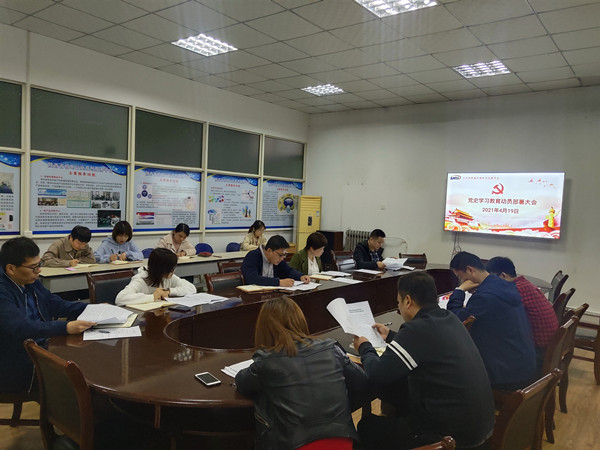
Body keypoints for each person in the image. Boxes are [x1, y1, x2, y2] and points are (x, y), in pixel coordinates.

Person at [352, 271, 495, 449]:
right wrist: (390, 336)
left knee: (367, 426)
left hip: (451, 439)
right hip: (479, 429)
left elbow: (377, 374)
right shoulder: (449, 318)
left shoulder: (416, 329)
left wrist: (365, 347)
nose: (399, 307)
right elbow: (424, 346)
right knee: (401, 392)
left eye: (398, 302)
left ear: (408, 301)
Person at [235, 297, 367, 450]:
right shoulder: (331, 349)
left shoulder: (266, 361)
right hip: (343, 441)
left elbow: (241, 382)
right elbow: (362, 381)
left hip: (294, 444)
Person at [0, 237, 94, 394]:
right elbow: (20, 327)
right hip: (17, 362)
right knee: (78, 378)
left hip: (43, 348)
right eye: (33, 267)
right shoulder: (3, 291)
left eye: (39, 264)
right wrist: (65, 327)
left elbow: (56, 304)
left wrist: (90, 308)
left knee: (87, 360)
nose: (39, 271)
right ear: (11, 269)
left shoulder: (30, 281)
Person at [447, 251, 536, 390]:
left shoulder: (486, 296)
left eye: (460, 277)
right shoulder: (505, 285)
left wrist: (460, 290)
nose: (461, 281)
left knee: (450, 369)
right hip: (523, 364)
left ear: (470, 270)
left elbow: (454, 320)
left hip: (506, 375)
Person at [486, 256, 559, 373]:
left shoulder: (514, 291)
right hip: (548, 346)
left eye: (491, 279)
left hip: (537, 352)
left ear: (503, 276)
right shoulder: (524, 284)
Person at [115, 248, 196, 306]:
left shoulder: (168, 277)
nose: (173, 271)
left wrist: (169, 291)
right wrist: (153, 297)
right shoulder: (140, 279)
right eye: (171, 269)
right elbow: (120, 298)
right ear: (161, 269)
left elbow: (192, 288)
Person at [241, 235, 310, 287]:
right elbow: (252, 278)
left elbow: (288, 271)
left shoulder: (278, 260)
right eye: (280, 255)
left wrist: (300, 276)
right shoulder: (253, 256)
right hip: (255, 296)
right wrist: (278, 282)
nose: (282, 258)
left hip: (273, 295)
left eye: (284, 255)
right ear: (269, 250)